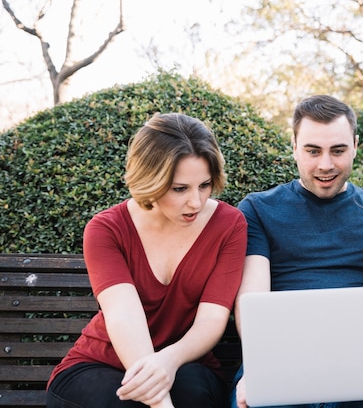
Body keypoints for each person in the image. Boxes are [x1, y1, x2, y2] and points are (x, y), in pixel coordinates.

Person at [231, 95, 363, 408]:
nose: (326, 164)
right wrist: (260, 367)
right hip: (280, 363)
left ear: (356, 146)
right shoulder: (257, 210)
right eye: (312, 151)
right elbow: (250, 301)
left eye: (338, 150)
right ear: (294, 146)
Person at [46, 113, 247, 408]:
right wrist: (160, 403)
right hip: (101, 363)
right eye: (180, 189)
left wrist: (169, 359)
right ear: (150, 180)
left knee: (192, 393)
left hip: (186, 362)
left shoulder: (229, 225)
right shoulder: (106, 229)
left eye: (204, 185)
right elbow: (123, 315)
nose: (196, 201)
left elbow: (212, 319)